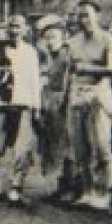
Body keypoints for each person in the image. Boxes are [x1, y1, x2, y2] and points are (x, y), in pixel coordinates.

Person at [65, 0, 112, 209]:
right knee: (80, 147)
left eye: (88, 15)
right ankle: (87, 190)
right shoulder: (72, 42)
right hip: (77, 94)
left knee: (101, 144)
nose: (84, 20)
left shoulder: (109, 40)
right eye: (80, 16)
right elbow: (69, 72)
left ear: (97, 15)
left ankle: (104, 192)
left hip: (100, 94)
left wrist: (87, 69)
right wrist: (67, 97)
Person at [0, 15, 42, 203]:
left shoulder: (31, 52)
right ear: (7, 29)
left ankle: (16, 186)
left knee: (22, 149)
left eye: (18, 27)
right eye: (11, 27)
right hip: (1, 105)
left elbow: (34, 81)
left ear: (25, 30)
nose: (14, 31)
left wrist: (36, 107)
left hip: (23, 104)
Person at [36, 15, 76, 201]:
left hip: (64, 102)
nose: (50, 41)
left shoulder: (66, 56)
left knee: (66, 143)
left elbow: (68, 82)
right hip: (48, 102)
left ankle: (71, 186)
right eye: (47, 37)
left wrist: (64, 100)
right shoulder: (43, 57)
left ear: (62, 37)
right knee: (51, 144)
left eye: (54, 37)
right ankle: (59, 185)